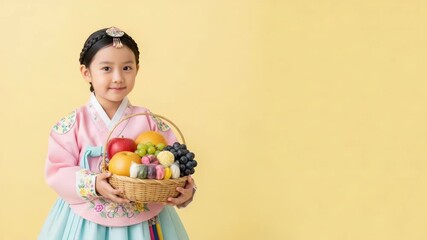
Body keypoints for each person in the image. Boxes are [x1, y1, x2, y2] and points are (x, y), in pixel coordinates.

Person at [38, 27, 196, 240]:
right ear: (86, 73)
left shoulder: (148, 120)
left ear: (137, 70)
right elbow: (57, 171)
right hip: (86, 221)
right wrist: (94, 183)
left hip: (145, 218)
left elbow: (174, 163)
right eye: (106, 68)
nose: (118, 77)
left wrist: (185, 191)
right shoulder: (72, 124)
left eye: (127, 68)